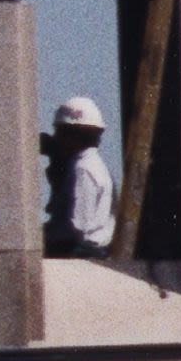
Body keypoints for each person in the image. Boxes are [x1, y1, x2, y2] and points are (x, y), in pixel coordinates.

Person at [44, 93, 117, 257]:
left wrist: (40, 235)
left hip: (82, 253)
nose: (55, 138)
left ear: (75, 135)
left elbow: (77, 227)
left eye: (60, 132)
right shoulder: (88, 164)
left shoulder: (83, 169)